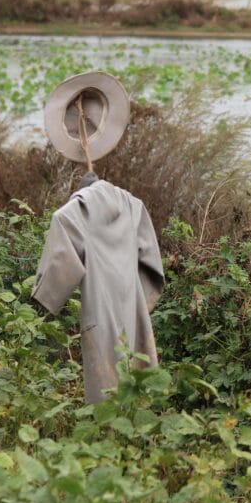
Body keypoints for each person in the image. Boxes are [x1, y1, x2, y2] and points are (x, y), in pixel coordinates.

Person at [31, 72, 164, 402]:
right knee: (137, 370)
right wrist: (139, 298)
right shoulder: (132, 206)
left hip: (99, 308)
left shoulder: (73, 215)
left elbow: (53, 282)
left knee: (104, 377)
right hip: (132, 306)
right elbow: (152, 265)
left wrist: (40, 306)